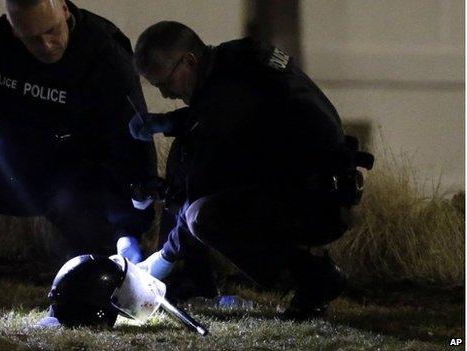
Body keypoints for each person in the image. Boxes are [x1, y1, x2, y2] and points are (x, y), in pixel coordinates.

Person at [130, 21, 373, 320]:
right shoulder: (238, 59)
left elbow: (201, 179)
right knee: (189, 161)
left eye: (165, 83)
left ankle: (315, 278)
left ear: (189, 62)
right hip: (314, 188)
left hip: (318, 203)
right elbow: (217, 112)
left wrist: (165, 256)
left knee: (201, 217)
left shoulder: (233, 87)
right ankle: (196, 276)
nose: (166, 94)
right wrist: (167, 122)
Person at [0, 0, 157, 309]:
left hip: (74, 177)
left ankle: (94, 289)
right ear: (13, 29)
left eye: (52, 31)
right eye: (32, 38)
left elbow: (130, 140)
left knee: (98, 268)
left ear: (63, 8)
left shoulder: (103, 53)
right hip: (6, 166)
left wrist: (129, 226)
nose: (47, 45)